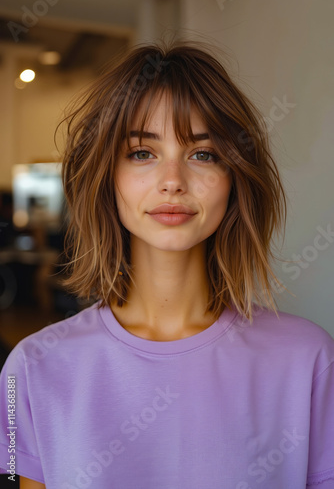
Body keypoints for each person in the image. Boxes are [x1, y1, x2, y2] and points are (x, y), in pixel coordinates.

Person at [0, 41, 333, 489]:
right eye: (142, 153)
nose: (173, 181)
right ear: (106, 175)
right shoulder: (30, 370)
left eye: (203, 153)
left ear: (234, 178)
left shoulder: (309, 360)